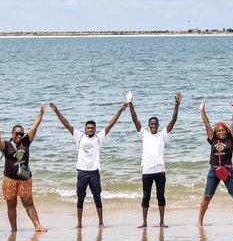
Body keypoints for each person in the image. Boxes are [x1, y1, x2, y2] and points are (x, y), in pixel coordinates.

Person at [50, 102, 129, 228]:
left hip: (94, 172)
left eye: (92, 128)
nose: (90, 130)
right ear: (85, 129)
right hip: (82, 172)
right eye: (88, 128)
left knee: (97, 198)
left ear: (95, 129)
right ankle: (79, 223)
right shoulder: (79, 137)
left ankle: (101, 223)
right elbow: (66, 125)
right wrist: (57, 111)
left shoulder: (98, 138)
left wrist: (120, 111)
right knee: (80, 198)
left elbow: (110, 125)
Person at [128, 92, 182, 228]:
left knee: (160, 197)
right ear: (148, 125)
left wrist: (177, 104)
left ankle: (162, 222)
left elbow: (173, 120)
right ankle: (144, 222)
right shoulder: (144, 134)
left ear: (158, 125)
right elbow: (135, 120)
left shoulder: (162, 135)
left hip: (160, 171)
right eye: (151, 124)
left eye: (155, 124)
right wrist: (130, 103)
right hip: (147, 171)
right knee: (146, 197)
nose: (153, 126)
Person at [0, 104, 48, 232]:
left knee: (29, 204)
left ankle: (38, 226)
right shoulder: (6, 145)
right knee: (11, 205)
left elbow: (35, 126)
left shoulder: (26, 142)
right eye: (17, 133)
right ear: (12, 133)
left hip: (25, 178)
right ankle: (14, 229)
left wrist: (41, 113)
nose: (19, 136)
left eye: (21, 134)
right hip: (9, 179)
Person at [196, 101, 233, 226]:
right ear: (216, 132)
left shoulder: (231, 138)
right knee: (207, 196)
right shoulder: (213, 138)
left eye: (223, 130)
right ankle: (200, 222)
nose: (221, 132)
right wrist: (202, 110)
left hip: (227, 171)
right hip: (214, 171)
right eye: (219, 131)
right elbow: (206, 123)